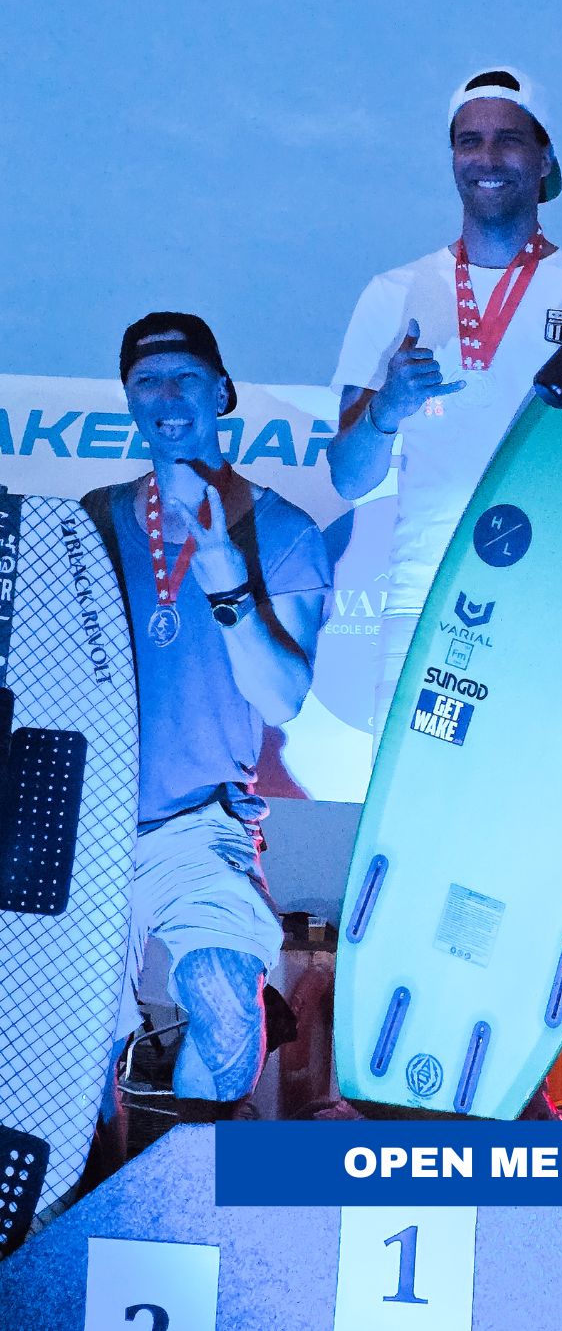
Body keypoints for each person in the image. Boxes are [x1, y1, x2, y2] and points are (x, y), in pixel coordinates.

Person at [328, 66, 562, 740]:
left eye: (509, 139)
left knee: (541, 803)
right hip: (427, 602)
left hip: (560, 602)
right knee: (416, 806)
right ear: (452, 159)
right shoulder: (392, 293)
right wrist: (387, 409)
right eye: (469, 142)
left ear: (545, 157)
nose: (488, 158)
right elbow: (349, 479)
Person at [81, 312, 331, 1151]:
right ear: (129, 400)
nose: (167, 397)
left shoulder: (282, 529)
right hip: (82, 828)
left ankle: (183, 1200)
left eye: (186, 378)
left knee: (226, 1011)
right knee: (61, 1056)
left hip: (197, 825)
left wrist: (227, 581)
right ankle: (73, 1205)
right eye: (147, 382)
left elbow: (282, 699)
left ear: (221, 391)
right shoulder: (92, 520)